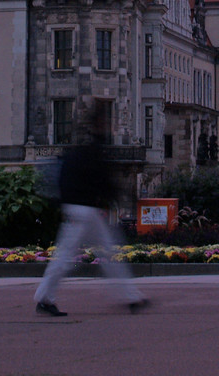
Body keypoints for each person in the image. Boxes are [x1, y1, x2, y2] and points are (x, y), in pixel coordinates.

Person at [35, 109, 148, 317]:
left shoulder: (73, 155)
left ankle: (44, 297)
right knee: (105, 253)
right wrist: (121, 197)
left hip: (76, 209)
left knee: (67, 256)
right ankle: (131, 297)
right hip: (86, 210)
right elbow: (104, 183)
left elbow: (65, 182)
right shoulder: (94, 152)